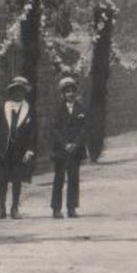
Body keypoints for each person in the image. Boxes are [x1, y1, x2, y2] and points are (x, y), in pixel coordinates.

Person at [0, 75, 37, 219]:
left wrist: (30, 150)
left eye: (21, 91)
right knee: (2, 179)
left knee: (17, 179)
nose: (18, 93)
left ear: (24, 92)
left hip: (20, 151)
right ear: (11, 92)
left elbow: (34, 133)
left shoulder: (29, 110)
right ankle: (1, 208)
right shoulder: (3, 108)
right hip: (4, 149)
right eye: (15, 90)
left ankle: (15, 208)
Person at [49, 74, 87, 218]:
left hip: (75, 151)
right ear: (63, 94)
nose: (70, 94)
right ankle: (56, 208)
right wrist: (65, 144)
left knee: (73, 178)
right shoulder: (58, 110)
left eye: (72, 91)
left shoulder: (81, 109)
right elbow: (54, 129)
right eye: (67, 91)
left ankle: (71, 208)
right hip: (61, 150)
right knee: (58, 178)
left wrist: (75, 144)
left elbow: (84, 129)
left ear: (76, 92)